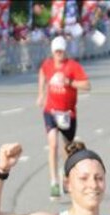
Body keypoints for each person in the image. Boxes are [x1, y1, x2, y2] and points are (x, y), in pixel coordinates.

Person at [37, 35, 91, 200]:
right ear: (53, 52)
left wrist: (70, 82)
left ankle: (65, 176)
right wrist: (41, 93)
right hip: (51, 111)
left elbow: (87, 85)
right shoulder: (48, 64)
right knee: (52, 144)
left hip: (68, 114)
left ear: (65, 51)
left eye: (61, 51)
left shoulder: (73, 66)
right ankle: (54, 182)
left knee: (67, 150)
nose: (59, 54)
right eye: (56, 52)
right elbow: (42, 74)